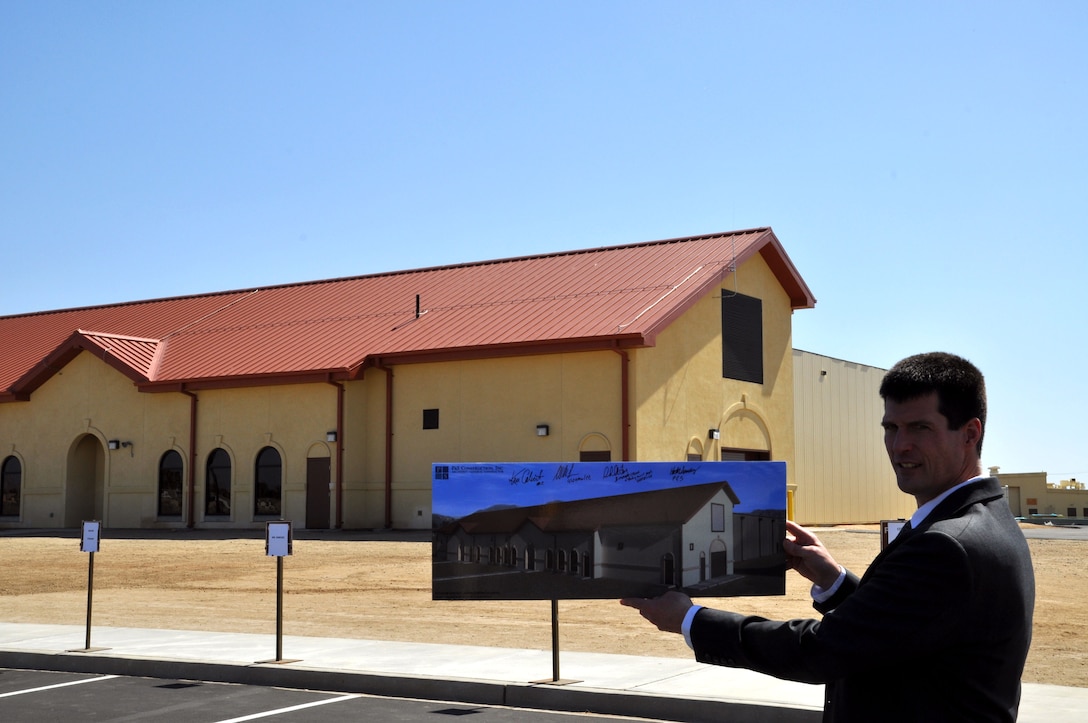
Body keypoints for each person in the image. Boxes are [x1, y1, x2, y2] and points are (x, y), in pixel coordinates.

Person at [621, 352, 1035, 722]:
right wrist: (834, 581)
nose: (899, 445)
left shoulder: (949, 542)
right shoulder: (980, 518)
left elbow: (821, 651)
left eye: (920, 427)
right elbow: (901, 628)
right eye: (890, 427)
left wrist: (689, 620)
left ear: (970, 433)